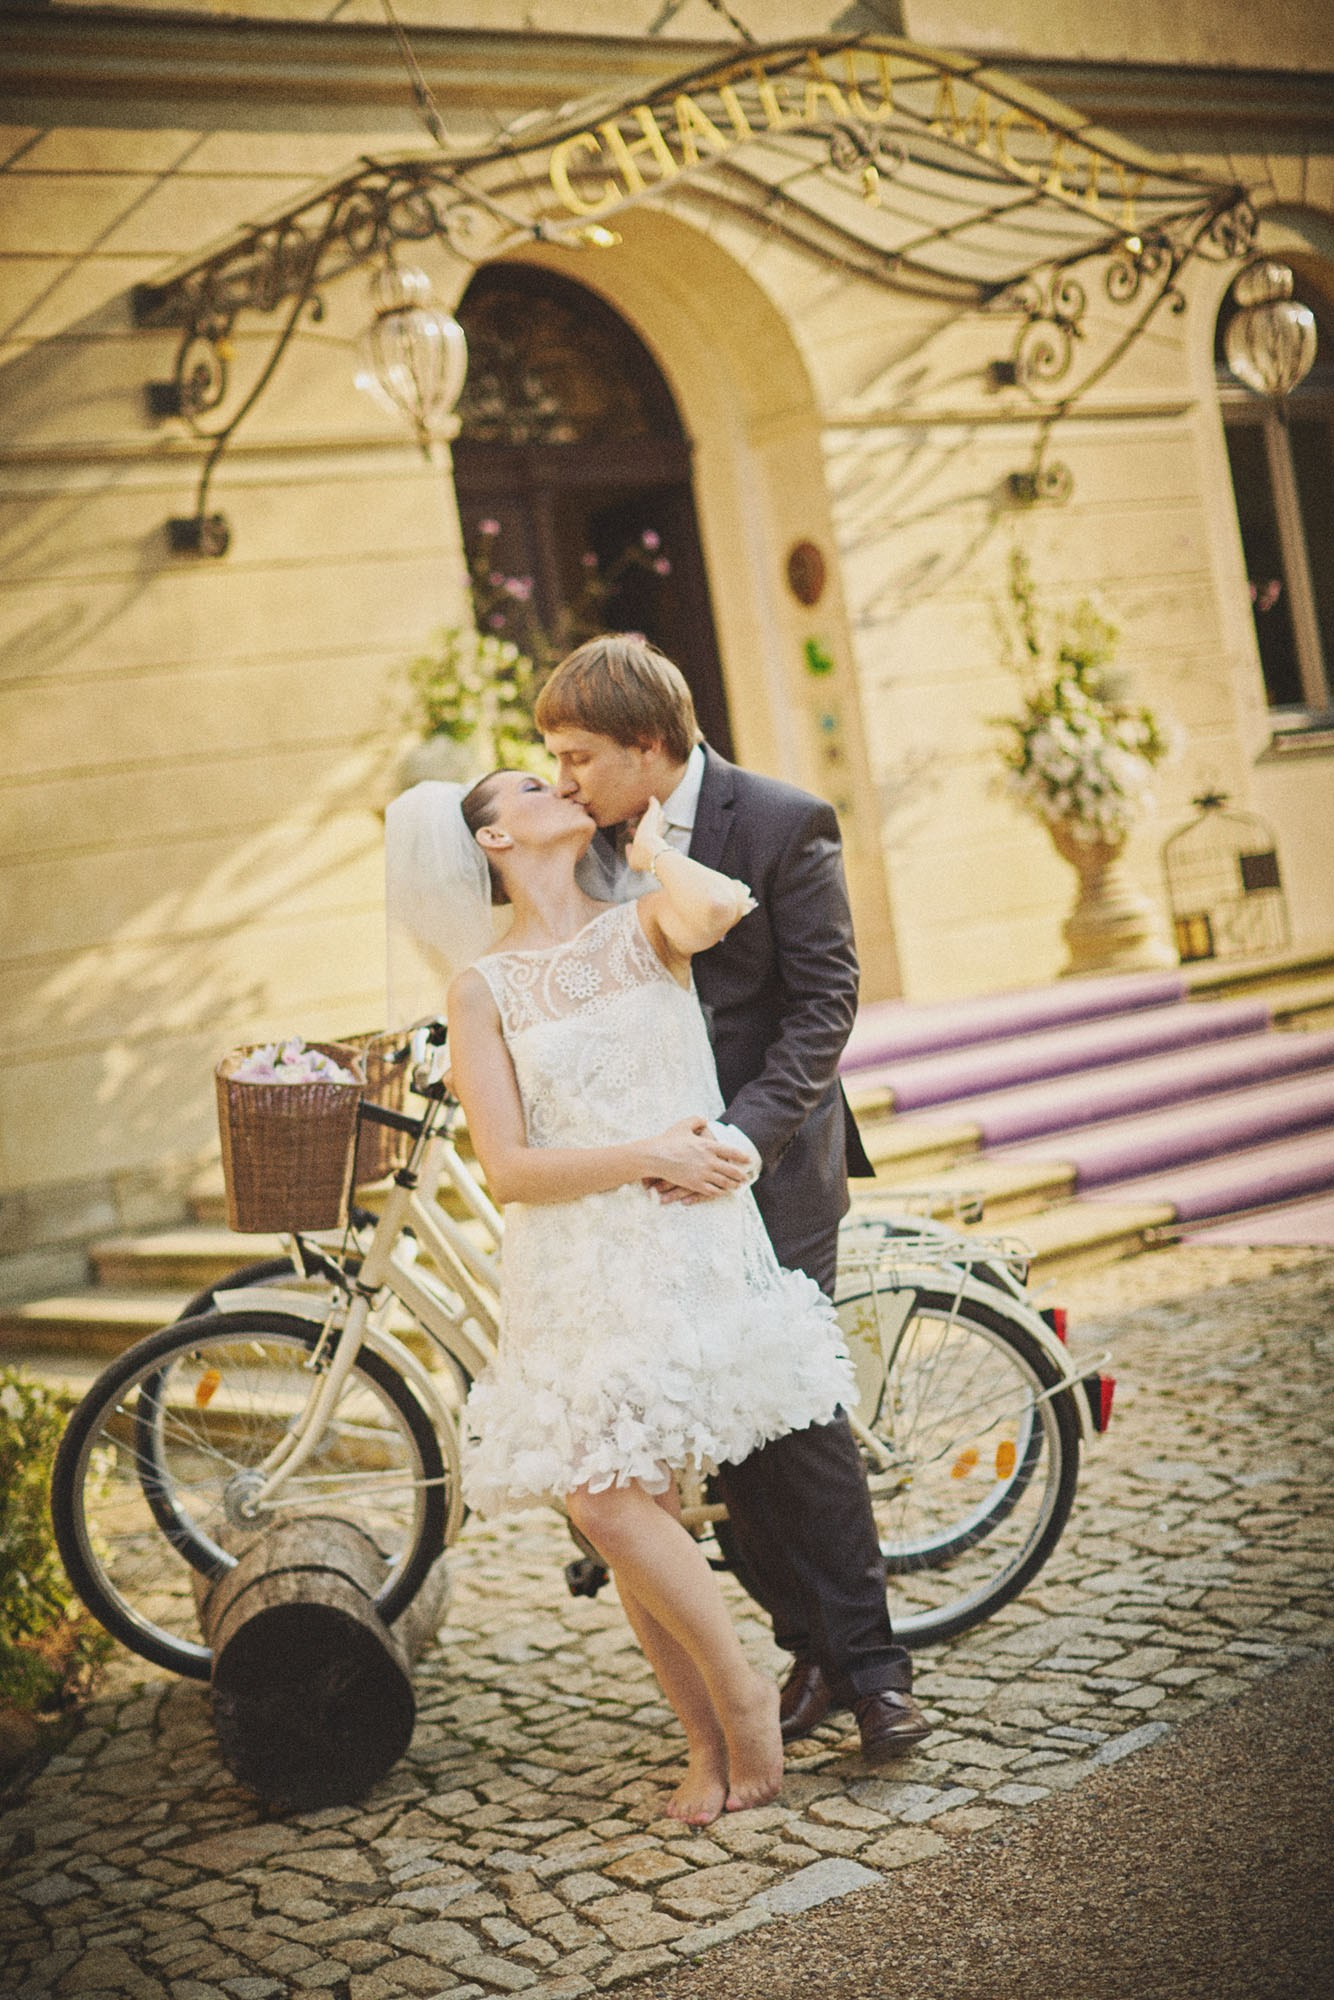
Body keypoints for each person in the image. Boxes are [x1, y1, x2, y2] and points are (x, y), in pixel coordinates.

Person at [390, 767, 859, 1825]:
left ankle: (737, 1717)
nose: (554, 779)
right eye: (525, 782)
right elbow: (507, 1167)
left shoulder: (646, 919)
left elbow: (720, 907)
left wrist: (650, 845)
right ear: (495, 838)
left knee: (620, 1502)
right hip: (573, 1259)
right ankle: (718, 1729)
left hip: (684, 1239)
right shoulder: (480, 985)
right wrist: (645, 1149)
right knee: (612, 1504)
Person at [534, 634, 930, 1763]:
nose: (562, 778)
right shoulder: (594, 842)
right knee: (725, 1438)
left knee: (793, 1418)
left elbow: (824, 1002)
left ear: (649, 746)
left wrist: (739, 1142)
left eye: (578, 755)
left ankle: (876, 1675)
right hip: (655, 1181)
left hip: (771, 1169)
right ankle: (805, 1645)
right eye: (550, 759)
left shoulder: (781, 818)